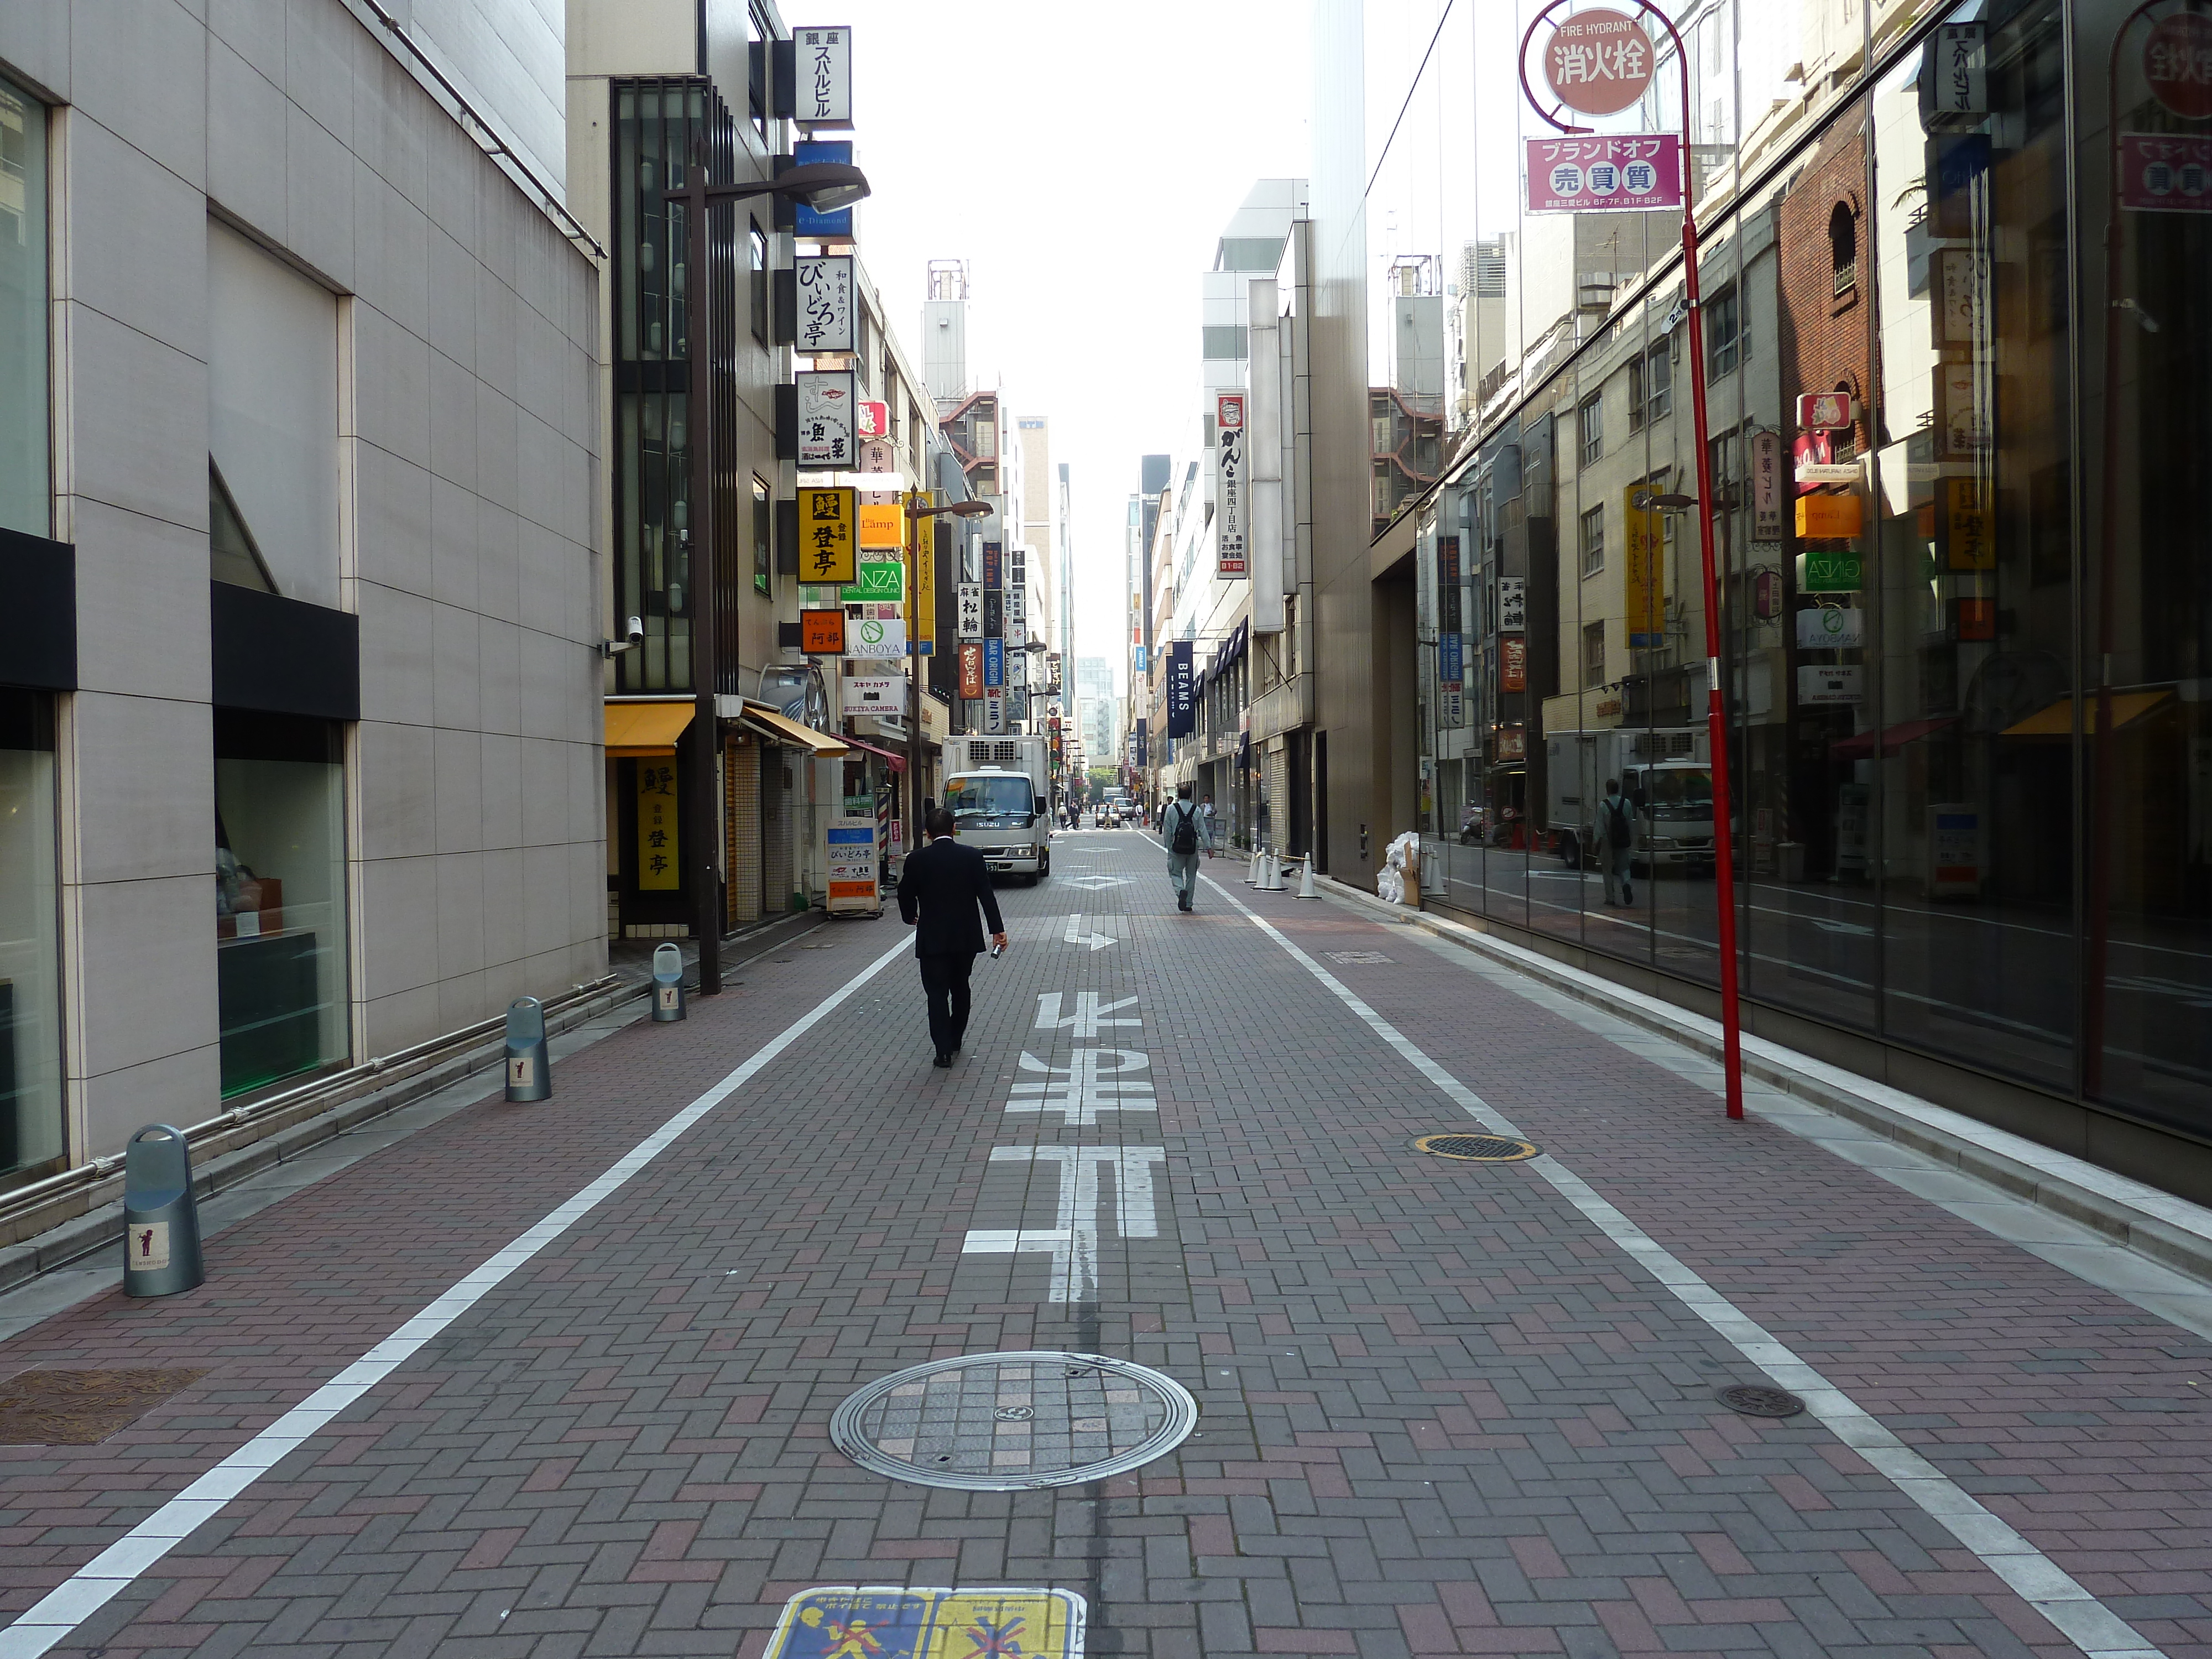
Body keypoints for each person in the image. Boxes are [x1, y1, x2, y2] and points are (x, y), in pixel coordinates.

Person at [898, 806, 1007, 1066]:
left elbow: (905, 892)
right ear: (954, 829)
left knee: (936, 993)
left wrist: (909, 914)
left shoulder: (917, 859)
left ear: (927, 833)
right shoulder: (971, 857)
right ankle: (956, 1039)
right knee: (961, 987)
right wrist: (997, 929)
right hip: (965, 937)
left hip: (932, 938)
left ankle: (943, 1050)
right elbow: (986, 895)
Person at [1163, 784, 1204, 912]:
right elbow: (1202, 829)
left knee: (1175, 873)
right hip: (1193, 847)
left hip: (1176, 846)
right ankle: (1188, 903)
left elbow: (1167, 830)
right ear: (1191, 795)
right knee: (1192, 875)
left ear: (1178, 795)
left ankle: (1181, 891)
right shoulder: (1196, 810)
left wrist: (1169, 846)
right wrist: (1209, 847)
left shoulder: (1171, 809)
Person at [1597, 777, 1636, 907]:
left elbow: (1600, 828)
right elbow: (1630, 823)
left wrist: (1596, 843)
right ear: (1618, 789)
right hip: (1623, 840)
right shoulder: (1627, 803)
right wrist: (1631, 839)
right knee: (1624, 867)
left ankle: (1610, 898)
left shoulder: (1603, 805)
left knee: (1607, 870)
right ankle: (1626, 884)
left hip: (1608, 842)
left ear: (1608, 790)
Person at [1198, 793, 1219, 858]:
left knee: (1210, 833)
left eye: (1207, 798)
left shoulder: (1211, 805)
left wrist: (1211, 814)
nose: (1206, 800)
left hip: (1210, 821)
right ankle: (1206, 846)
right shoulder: (1202, 806)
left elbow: (1215, 811)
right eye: (1205, 798)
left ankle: (1209, 846)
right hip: (1204, 821)